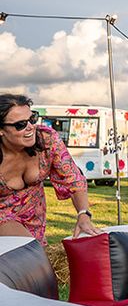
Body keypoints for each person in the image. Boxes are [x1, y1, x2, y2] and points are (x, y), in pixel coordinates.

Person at [0, 94, 100, 243]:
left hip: (35, 220)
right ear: (1, 130)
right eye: (20, 124)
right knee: (29, 253)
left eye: (32, 119)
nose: (30, 127)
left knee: (36, 257)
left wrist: (83, 215)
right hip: (3, 218)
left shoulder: (47, 140)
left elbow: (73, 180)